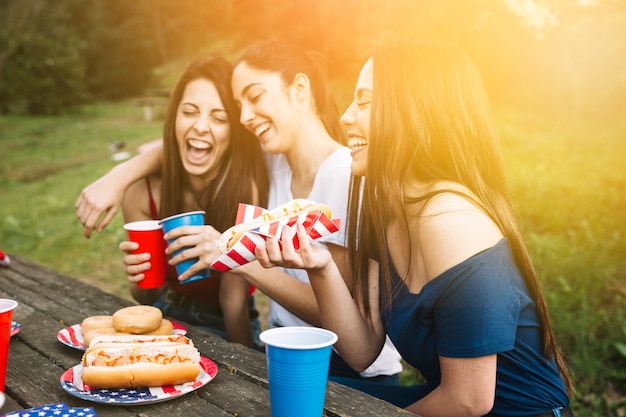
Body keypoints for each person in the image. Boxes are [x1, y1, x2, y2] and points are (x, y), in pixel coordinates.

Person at [253, 41, 574, 416]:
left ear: (417, 114)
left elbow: (469, 400)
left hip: (512, 413)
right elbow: (361, 351)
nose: (345, 117)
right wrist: (320, 266)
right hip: (452, 402)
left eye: (365, 101)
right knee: (299, 396)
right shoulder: (388, 208)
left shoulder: (454, 224)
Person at [75, 40, 403, 385]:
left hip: (348, 372)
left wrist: (232, 256)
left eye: (255, 97)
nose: (244, 117)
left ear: (300, 89)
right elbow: (189, 143)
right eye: (238, 106)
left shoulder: (342, 174)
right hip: (284, 350)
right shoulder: (273, 161)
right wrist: (119, 176)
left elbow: (340, 315)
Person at [77, 56, 269, 347]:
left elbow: (233, 301)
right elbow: (147, 297)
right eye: (190, 112)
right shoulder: (141, 192)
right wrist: (138, 277)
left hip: (227, 322)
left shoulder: (244, 191)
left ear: (233, 130)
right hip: (165, 315)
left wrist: (243, 366)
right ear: (174, 118)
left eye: (218, 118)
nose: (201, 127)